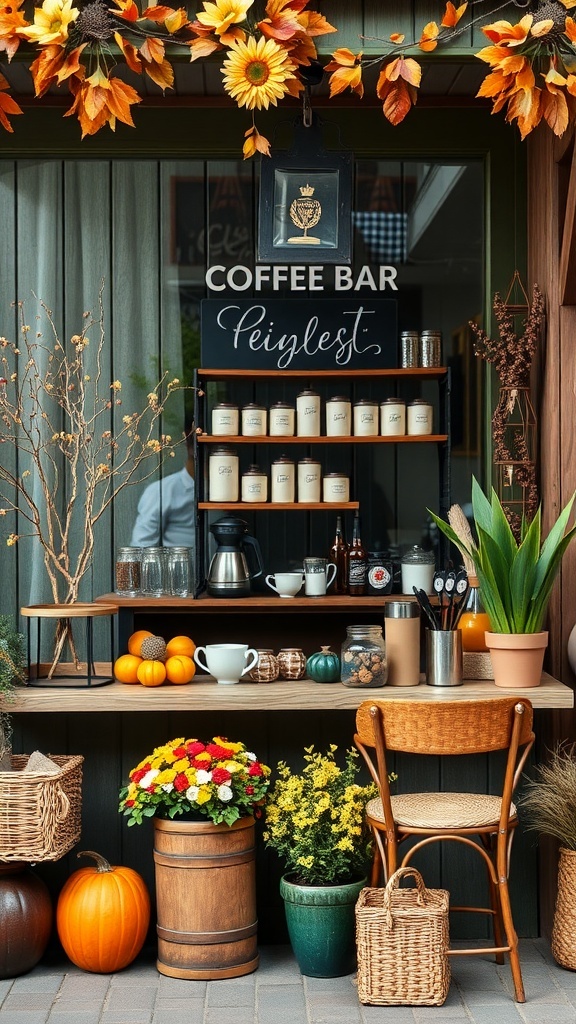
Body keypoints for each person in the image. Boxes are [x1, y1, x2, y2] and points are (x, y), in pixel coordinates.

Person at [130, 422, 195, 548]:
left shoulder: (231, 491)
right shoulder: (161, 491)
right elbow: (142, 547)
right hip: (181, 561)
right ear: (190, 448)